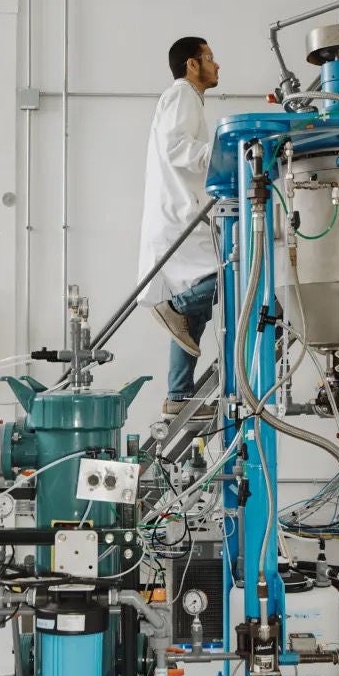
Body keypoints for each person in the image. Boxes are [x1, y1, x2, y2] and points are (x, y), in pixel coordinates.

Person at [136, 36, 221, 418]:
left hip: (179, 215)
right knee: (230, 276)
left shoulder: (184, 99)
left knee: (190, 321)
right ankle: (175, 307)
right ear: (191, 64)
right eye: (209, 58)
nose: (217, 65)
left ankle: (179, 395)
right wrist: (227, 152)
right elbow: (177, 148)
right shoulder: (183, 94)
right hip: (179, 219)